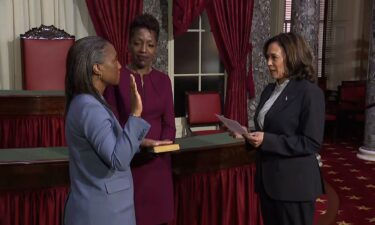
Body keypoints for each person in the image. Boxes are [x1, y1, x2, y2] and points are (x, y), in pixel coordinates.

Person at [231, 32, 325, 225]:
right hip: (269, 182)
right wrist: (246, 133)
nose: (268, 63)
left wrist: (266, 140)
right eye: (267, 57)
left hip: (294, 186)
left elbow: (311, 142)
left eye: (274, 57)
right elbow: (268, 129)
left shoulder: (309, 93)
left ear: (292, 57)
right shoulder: (269, 90)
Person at [64, 36, 150, 225]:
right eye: (114, 60)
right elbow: (117, 159)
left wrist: (139, 141)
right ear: (97, 68)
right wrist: (135, 114)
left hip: (103, 209)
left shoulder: (90, 102)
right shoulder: (90, 107)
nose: (119, 65)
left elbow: (108, 145)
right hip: (103, 213)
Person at [104, 14, 176, 225]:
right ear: (128, 44)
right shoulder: (117, 79)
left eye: (150, 44)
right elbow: (113, 125)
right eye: (138, 43)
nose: (144, 50)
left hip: (159, 166)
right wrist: (139, 144)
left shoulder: (163, 81)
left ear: (156, 47)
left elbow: (169, 125)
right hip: (129, 166)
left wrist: (161, 146)